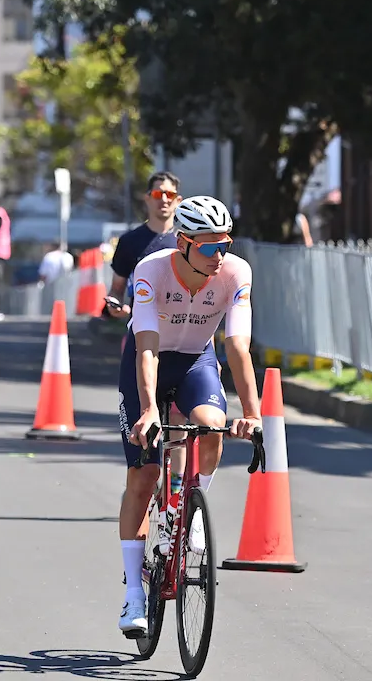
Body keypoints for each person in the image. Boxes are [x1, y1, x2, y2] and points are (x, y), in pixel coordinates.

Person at [115, 195, 262, 637]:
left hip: (196, 360)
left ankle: (190, 510)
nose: (219, 256)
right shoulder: (151, 270)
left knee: (212, 428)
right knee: (143, 478)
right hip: (149, 361)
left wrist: (252, 415)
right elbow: (146, 347)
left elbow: (237, 348)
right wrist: (146, 411)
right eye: (208, 247)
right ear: (182, 243)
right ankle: (134, 597)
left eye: (226, 245)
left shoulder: (236, 273)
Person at [103, 172, 182, 322]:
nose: (164, 199)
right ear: (148, 198)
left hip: (180, 329)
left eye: (169, 194)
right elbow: (116, 289)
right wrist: (116, 306)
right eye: (158, 194)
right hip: (141, 328)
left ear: (178, 200)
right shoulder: (129, 241)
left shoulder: (187, 241)